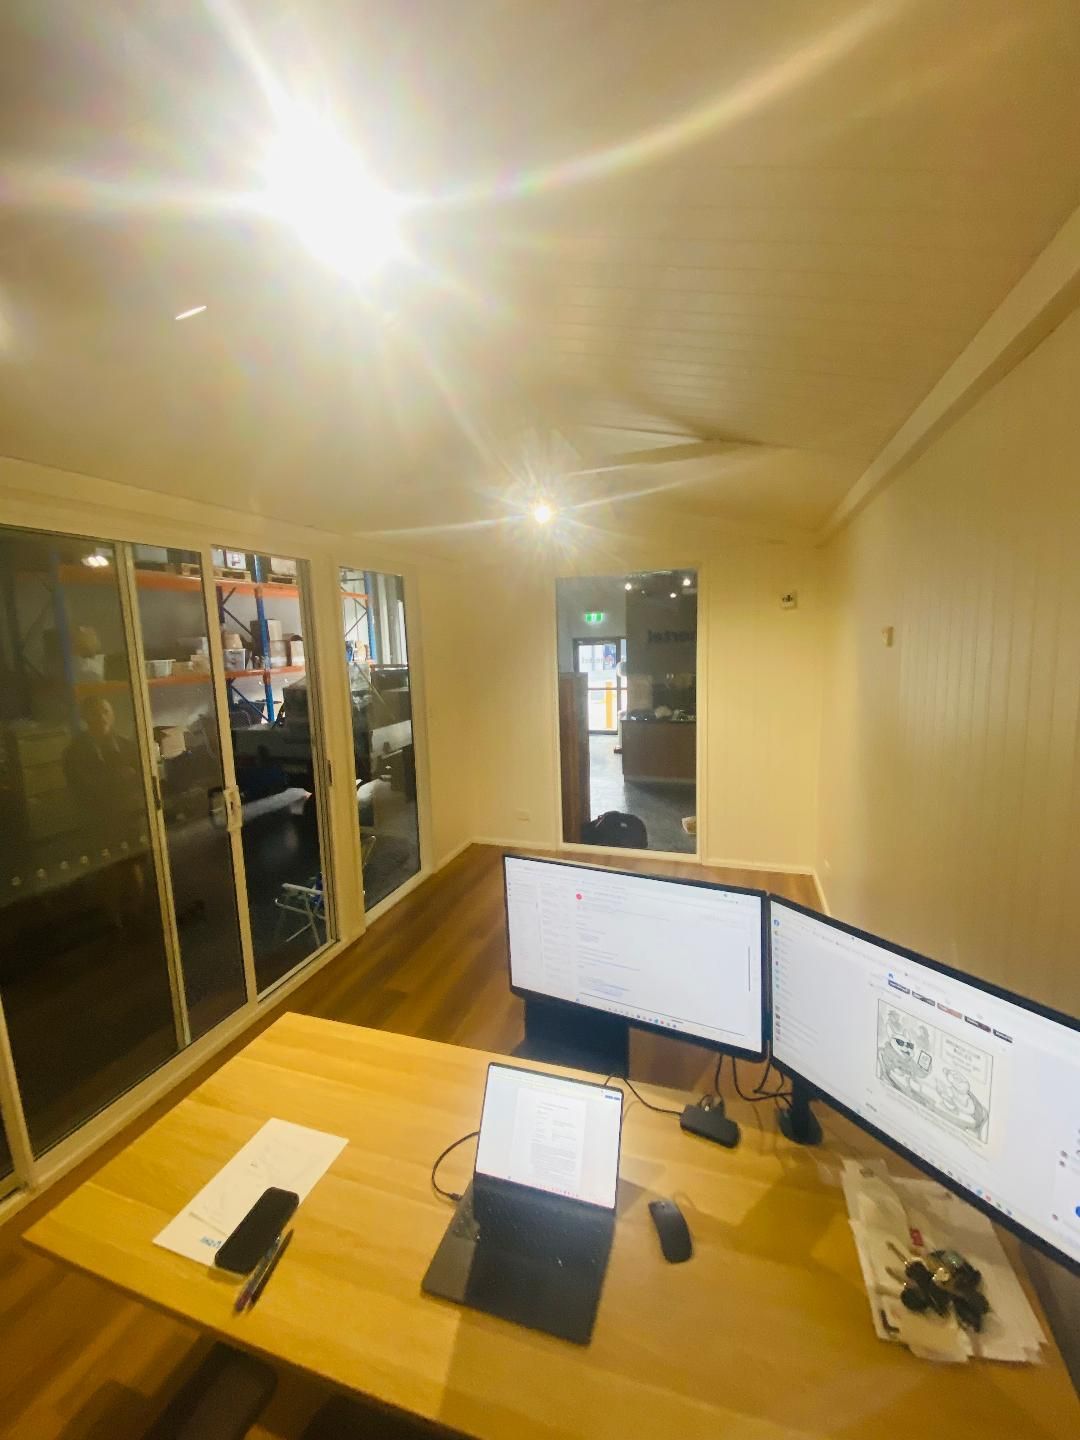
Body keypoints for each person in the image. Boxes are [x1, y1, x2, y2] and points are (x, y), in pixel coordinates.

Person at [64, 696, 147, 923]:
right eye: (95, 713)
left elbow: (140, 777)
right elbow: (82, 787)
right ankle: (113, 919)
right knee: (108, 871)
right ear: (85, 717)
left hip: (128, 815)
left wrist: (120, 782)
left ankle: (137, 914)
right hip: (100, 819)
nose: (101, 718)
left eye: (105, 712)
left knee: (134, 867)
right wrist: (117, 779)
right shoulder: (75, 752)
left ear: (113, 715)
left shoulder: (126, 745)